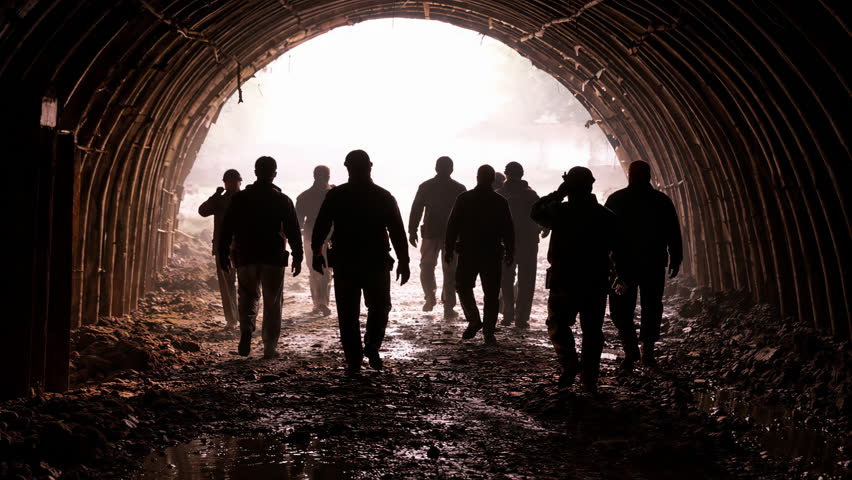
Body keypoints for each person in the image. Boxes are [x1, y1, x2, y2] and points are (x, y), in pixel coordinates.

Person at [311, 150, 410, 374]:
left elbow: (321, 225)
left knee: (348, 312)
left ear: (347, 168)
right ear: (370, 166)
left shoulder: (337, 195)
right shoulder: (383, 196)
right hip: (376, 260)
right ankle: (372, 344)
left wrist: (317, 252)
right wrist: (403, 261)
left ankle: (354, 360)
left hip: (345, 261)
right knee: (380, 306)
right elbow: (397, 231)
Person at [531, 167, 621, 392]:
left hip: (564, 278)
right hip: (595, 280)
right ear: (591, 185)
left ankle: (570, 363)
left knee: (558, 323)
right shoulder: (605, 216)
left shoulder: (560, 212)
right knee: (592, 330)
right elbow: (619, 249)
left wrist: (558, 193)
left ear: (568, 186)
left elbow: (535, 212)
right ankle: (589, 377)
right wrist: (619, 275)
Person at [218, 156, 303, 359]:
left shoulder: (240, 199)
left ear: (255, 172)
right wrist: (298, 256)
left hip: (246, 255)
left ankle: (247, 329)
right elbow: (293, 230)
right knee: (272, 301)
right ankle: (269, 346)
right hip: (273, 256)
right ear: (274, 174)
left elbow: (226, 228)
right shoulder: (282, 200)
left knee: (247, 296)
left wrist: (223, 254)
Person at [605, 160, 682, 369]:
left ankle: (631, 350)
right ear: (650, 176)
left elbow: (605, 232)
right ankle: (647, 350)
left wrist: (605, 260)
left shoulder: (617, 199)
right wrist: (676, 257)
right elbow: (673, 231)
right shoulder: (661, 201)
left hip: (623, 265)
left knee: (620, 308)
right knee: (652, 306)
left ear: (629, 176)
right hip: (652, 263)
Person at [445, 165, 514, 345]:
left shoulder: (464, 198)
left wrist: (449, 248)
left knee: (463, 286)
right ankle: (489, 332)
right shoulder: (500, 201)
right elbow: (508, 229)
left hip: (468, 251)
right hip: (492, 252)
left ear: (477, 177)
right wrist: (510, 251)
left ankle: (474, 319)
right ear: (493, 179)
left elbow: (452, 225)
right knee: (491, 293)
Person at [408, 156, 466, 317]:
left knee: (427, 267)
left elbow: (416, 209)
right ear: (452, 169)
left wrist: (412, 230)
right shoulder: (459, 188)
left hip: (431, 233)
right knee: (450, 270)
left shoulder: (426, 186)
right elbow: (465, 214)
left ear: (436, 168)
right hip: (451, 236)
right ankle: (448, 305)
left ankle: (430, 297)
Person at [496, 162, 546, 329]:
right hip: (529, 242)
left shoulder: (500, 194)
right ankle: (522, 317)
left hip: (506, 243)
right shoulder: (531, 195)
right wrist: (544, 228)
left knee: (506, 279)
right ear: (522, 175)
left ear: (506, 174)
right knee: (527, 281)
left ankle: (508, 313)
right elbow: (543, 214)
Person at [198, 169, 242, 329]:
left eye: (233, 182)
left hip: (239, 248)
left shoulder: (242, 199)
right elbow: (202, 211)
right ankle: (234, 318)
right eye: (229, 182)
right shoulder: (221, 200)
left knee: (237, 284)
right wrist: (215, 196)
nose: (231, 184)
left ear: (239, 182)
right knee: (231, 284)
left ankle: (238, 317)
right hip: (229, 248)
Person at [296, 165, 334, 316]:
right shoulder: (334, 194)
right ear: (328, 176)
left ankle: (318, 303)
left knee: (317, 271)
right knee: (325, 271)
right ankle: (321, 303)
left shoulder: (304, 196)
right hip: (327, 237)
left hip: (311, 237)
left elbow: (298, 223)